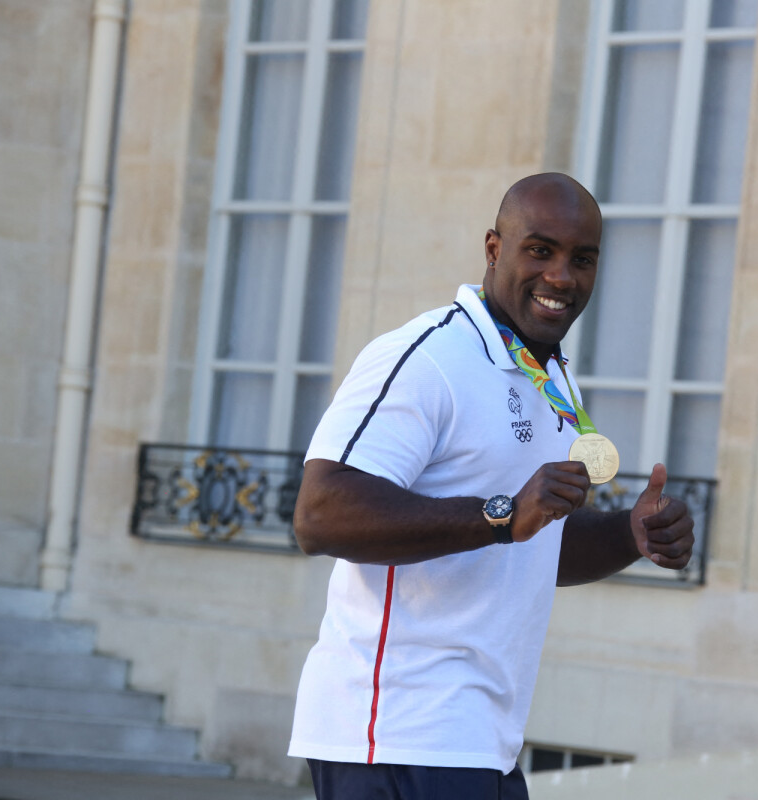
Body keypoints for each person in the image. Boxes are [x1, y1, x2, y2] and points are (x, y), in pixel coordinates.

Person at [288, 173, 695, 800]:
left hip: (482, 740)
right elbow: (319, 514)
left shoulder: (551, 381)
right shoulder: (427, 357)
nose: (562, 276)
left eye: (582, 259)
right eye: (540, 250)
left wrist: (628, 534)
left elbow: (533, 548)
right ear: (493, 248)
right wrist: (501, 514)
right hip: (394, 732)